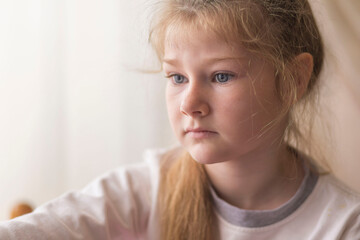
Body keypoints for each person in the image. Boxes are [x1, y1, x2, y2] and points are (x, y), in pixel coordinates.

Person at [1, 0, 359, 239]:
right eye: (177, 78)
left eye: (221, 76)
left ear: (292, 80)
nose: (190, 104)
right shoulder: (147, 190)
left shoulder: (343, 225)